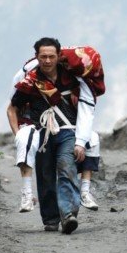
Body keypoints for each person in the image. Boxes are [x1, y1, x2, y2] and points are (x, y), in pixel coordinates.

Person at [8, 37, 95, 234]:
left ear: (58, 57)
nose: (47, 61)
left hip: (67, 131)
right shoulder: (30, 82)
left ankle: (68, 215)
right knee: (45, 174)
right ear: (36, 57)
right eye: (43, 57)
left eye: (51, 56)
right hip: (41, 134)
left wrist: (81, 141)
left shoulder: (71, 78)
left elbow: (86, 107)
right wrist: (19, 135)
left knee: (67, 167)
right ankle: (50, 219)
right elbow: (12, 109)